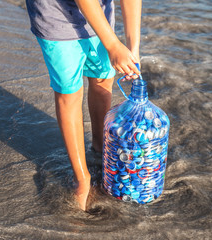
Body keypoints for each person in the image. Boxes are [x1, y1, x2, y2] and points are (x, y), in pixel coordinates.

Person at [26, 0, 142, 211]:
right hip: (55, 18)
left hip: (100, 16)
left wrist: (132, 46)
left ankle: (101, 150)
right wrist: (113, 45)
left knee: (102, 81)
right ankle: (82, 177)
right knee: (68, 93)